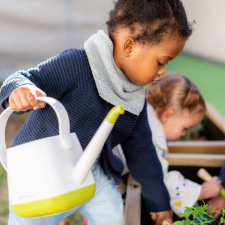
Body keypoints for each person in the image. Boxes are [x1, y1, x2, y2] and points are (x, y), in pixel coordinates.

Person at [0, 0, 192, 224]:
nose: (163, 72)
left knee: (112, 213)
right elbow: (21, 78)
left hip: (88, 173)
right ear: (129, 46)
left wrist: (159, 204)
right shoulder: (76, 65)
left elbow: (143, 156)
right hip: (41, 176)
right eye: (160, 62)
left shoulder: (134, 101)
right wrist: (21, 90)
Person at [115, 73, 223, 218]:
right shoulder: (153, 136)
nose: (184, 134)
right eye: (184, 128)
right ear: (167, 115)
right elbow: (159, 180)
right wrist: (201, 191)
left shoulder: (143, 109)